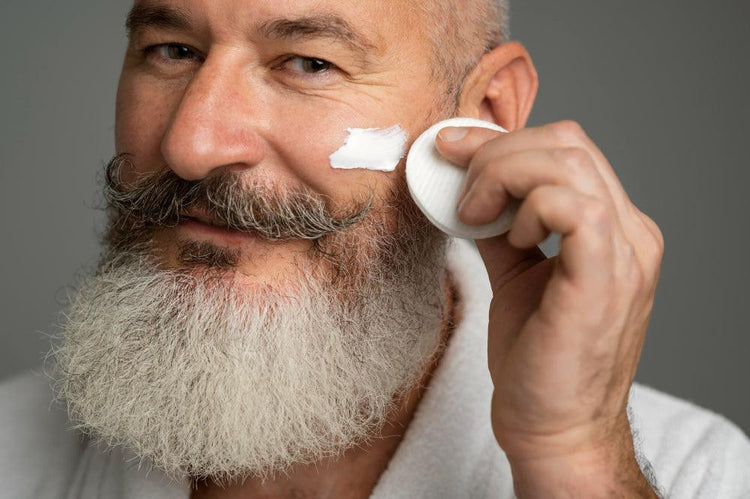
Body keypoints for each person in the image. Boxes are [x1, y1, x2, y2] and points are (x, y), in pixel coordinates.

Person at [1, 0, 749, 497]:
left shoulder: (699, 474)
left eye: (308, 63)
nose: (191, 145)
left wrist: (571, 458)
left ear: (483, 113)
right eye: (172, 50)